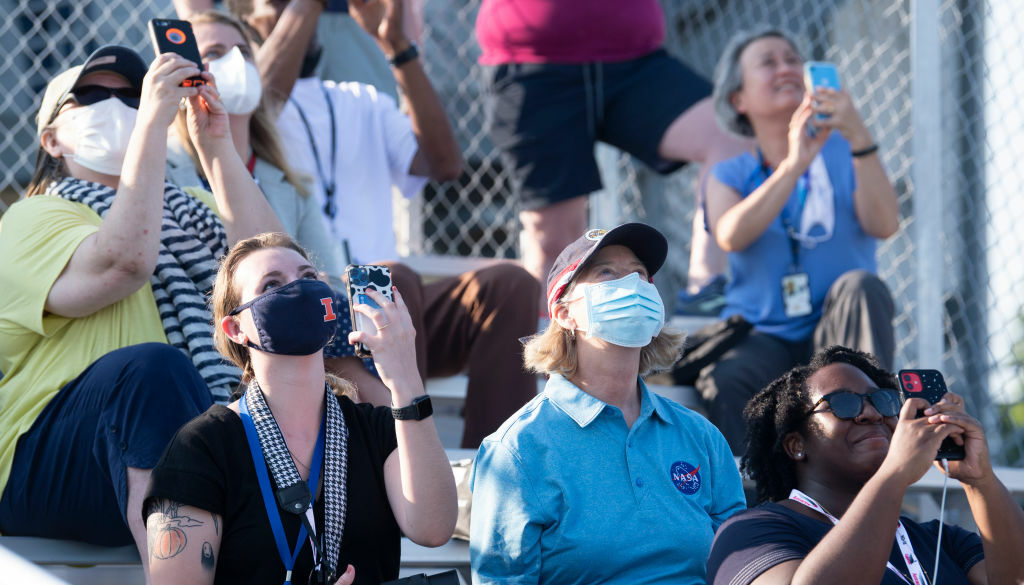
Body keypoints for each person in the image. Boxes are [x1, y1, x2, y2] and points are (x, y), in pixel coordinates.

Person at [0, 44, 282, 573]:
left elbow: (272, 278)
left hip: (184, 432)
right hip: (43, 462)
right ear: (50, 138)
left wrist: (215, 145)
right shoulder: (31, 217)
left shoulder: (192, 212)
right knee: (153, 372)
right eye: (90, 96)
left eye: (131, 94)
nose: (119, 106)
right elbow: (121, 263)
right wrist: (154, 119)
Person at [233, 0, 543, 448]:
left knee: (508, 285)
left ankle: (497, 461)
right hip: (312, 314)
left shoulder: (359, 98)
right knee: (388, 277)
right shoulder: (242, 116)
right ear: (248, 22)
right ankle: (412, 458)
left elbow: (445, 164)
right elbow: (261, 103)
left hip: (395, 311)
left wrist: (398, 48)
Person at [144, 232, 457, 585]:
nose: (299, 289)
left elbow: (433, 528)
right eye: (272, 284)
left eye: (308, 277)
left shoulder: (378, 429)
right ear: (235, 328)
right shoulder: (202, 447)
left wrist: (405, 380)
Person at [470, 223, 746, 584]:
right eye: (607, 273)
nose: (631, 285)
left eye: (640, 274)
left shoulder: (701, 437)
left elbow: (738, 563)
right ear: (564, 313)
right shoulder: (518, 450)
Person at [165, 9, 392, 397]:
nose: (235, 61)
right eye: (216, 52)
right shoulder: (166, 172)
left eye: (243, 51)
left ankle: (398, 438)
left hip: (296, 329)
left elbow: (329, 281)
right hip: (213, 333)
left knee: (345, 303)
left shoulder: (290, 183)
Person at [694, 26, 900, 453]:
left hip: (837, 331)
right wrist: (793, 164)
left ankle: (869, 472)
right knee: (728, 375)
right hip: (762, 335)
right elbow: (731, 234)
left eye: (792, 59)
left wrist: (860, 138)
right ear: (740, 100)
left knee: (862, 287)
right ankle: (752, 510)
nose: (787, 68)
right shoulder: (730, 174)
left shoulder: (847, 154)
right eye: (768, 62)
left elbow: (885, 224)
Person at [474, 0, 752, 311]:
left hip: (634, 58)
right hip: (534, 61)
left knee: (730, 136)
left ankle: (705, 294)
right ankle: (553, 349)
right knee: (554, 241)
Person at [706, 346, 1024, 585]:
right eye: (843, 404)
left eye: (884, 401)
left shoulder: (937, 538)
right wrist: (894, 474)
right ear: (796, 445)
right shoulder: (752, 532)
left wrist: (980, 479)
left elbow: (1013, 577)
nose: (871, 414)